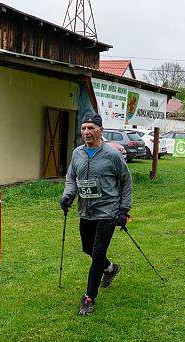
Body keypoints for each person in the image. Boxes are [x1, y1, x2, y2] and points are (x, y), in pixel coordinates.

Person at [60, 112, 133, 315]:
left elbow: (126, 181)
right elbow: (72, 178)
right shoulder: (78, 154)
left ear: (100, 130)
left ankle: (89, 298)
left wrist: (124, 210)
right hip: (86, 211)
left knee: (98, 253)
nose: (86, 132)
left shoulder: (112, 155)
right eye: (83, 128)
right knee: (87, 248)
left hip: (107, 212)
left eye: (91, 128)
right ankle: (110, 268)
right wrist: (68, 196)